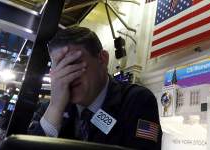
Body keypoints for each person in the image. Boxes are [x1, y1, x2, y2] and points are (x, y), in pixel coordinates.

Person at [28, 27, 162, 150]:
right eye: (60, 68)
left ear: (102, 59)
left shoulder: (136, 101)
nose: (67, 76)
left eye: (73, 64)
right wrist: (55, 107)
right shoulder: (49, 109)